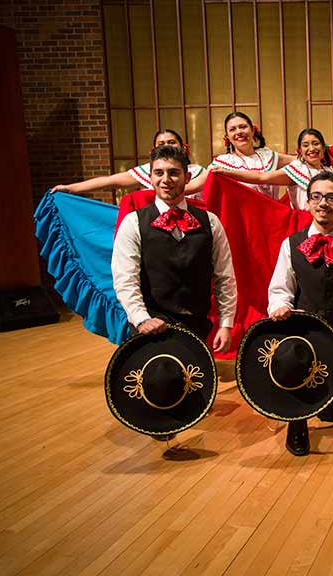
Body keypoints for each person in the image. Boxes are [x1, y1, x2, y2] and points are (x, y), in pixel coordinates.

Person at [111, 145, 237, 440]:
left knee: (192, 399)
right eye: (159, 173)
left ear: (187, 176)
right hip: (152, 326)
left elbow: (225, 277)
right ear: (150, 177)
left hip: (196, 324)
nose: (166, 179)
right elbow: (124, 278)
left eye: (173, 173)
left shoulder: (211, 222)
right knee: (159, 402)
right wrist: (141, 319)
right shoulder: (134, 223)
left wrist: (227, 323)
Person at [267, 171, 333, 455]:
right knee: (295, 368)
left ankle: (330, 403)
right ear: (307, 202)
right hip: (303, 336)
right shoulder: (290, 245)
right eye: (316, 196)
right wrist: (280, 307)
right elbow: (280, 288)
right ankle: (296, 423)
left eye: (330, 197)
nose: (322, 203)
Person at [52, 129, 205, 195]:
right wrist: (70, 189)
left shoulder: (198, 171)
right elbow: (110, 181)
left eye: (171, 142)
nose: (166, 146)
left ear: (183, 146)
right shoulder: (148, 172)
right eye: (161, 143)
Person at [210, 128, 332, 208]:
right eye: (306, 145)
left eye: (316, 143)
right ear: (300, 151)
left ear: (323, 148)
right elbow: (261, 177)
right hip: (307, 225)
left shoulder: (330, 171)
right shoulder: (297, 170)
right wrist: (228, 172)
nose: (311, 149)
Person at [184, 112, 293, 197]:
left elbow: (299, 160)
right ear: (227, 137)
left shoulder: (267, 156)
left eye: (243, 127)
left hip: (274, 218)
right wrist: (172, 190)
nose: (239, 132)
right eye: (232, 129)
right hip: (243, 222)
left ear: (252, 130)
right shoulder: (223, 163)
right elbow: (196, 185)